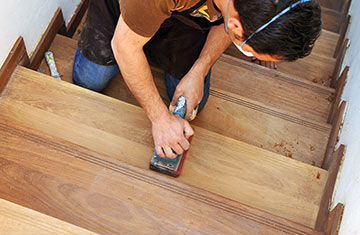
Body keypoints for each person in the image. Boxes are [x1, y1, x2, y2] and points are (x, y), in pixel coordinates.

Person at [73, 0, 321, 159]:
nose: (248, 53)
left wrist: (198, 71)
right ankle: (138, 31)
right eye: (250, 50)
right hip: (131, 6)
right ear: (234, 24)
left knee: (193, 105)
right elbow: (124, 46)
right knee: (89, 80)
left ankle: (146, 39)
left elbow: (229, 18)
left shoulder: (240, 12)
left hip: (191, 17)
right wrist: (159, 119)